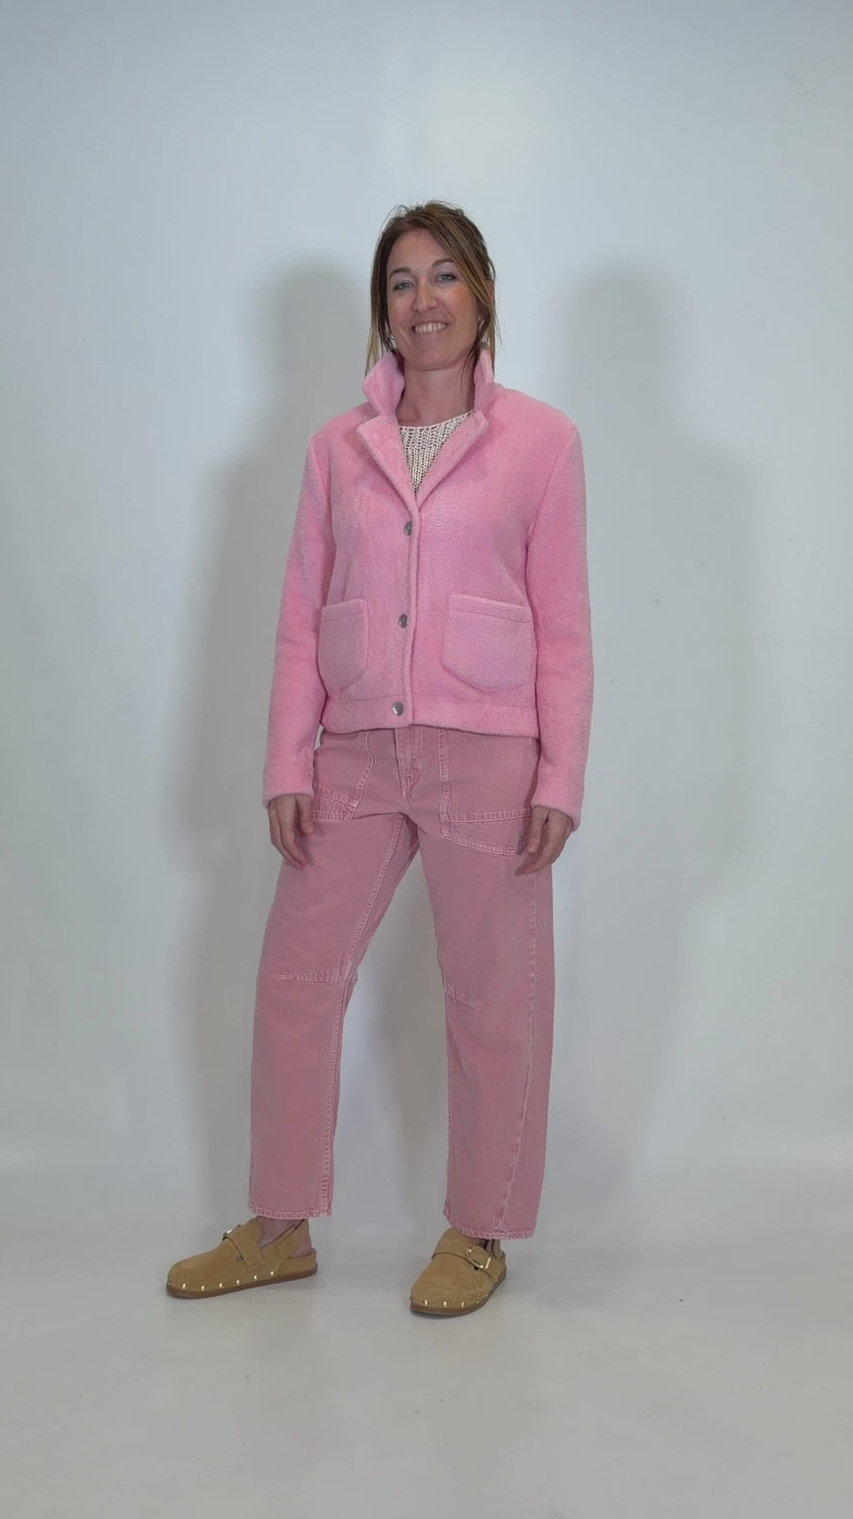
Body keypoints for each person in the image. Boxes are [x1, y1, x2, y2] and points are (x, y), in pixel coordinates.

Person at [167, 200, 593, 1317]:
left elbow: (563, 625)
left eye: (443, 276)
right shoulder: (335, 449)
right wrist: (285, 764)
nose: (422, 301)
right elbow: (298, 616)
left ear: (480, 296)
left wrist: (559, 776)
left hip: (487, 752)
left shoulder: (541, 442)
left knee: (491, 998)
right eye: (401, 283)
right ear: (382, 311)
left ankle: (479, 1232)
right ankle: (278, 1225)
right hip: (352, 753)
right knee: (293, 980)